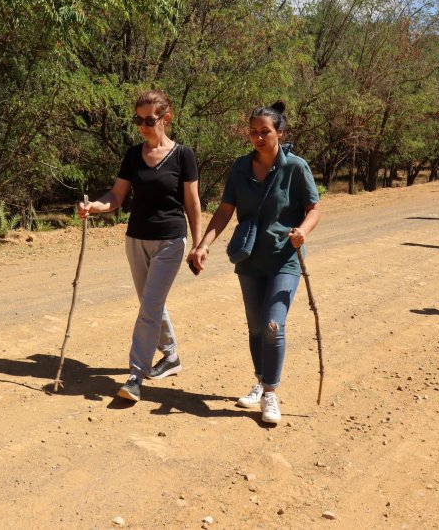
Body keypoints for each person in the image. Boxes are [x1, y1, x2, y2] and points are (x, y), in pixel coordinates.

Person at [190, 102, 320, 425]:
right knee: (255, 327)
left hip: (284, 259)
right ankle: (261, 382)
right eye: (254, 132)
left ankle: (271, 393)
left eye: (265, 132)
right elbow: (224, 211)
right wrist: (204, 245)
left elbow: (314, 209)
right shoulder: (239, 168)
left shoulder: (296, 167)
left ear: (280, 133)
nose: (259, 138)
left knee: (273, 325)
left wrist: (302, 232)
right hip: (248, 259)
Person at [78, 90, 202, 403]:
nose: (143, 126)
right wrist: (95, 206)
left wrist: (198, 244)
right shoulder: (133, 155)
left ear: (166, 119)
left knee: (148, 307)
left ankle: (136, 375)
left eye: (149, 120)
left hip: (171, 240)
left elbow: (192, 201)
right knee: (151, 303)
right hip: (136, 239)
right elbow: (116, 196)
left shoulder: (183, 155)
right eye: (138, 120)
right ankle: (171, 356)